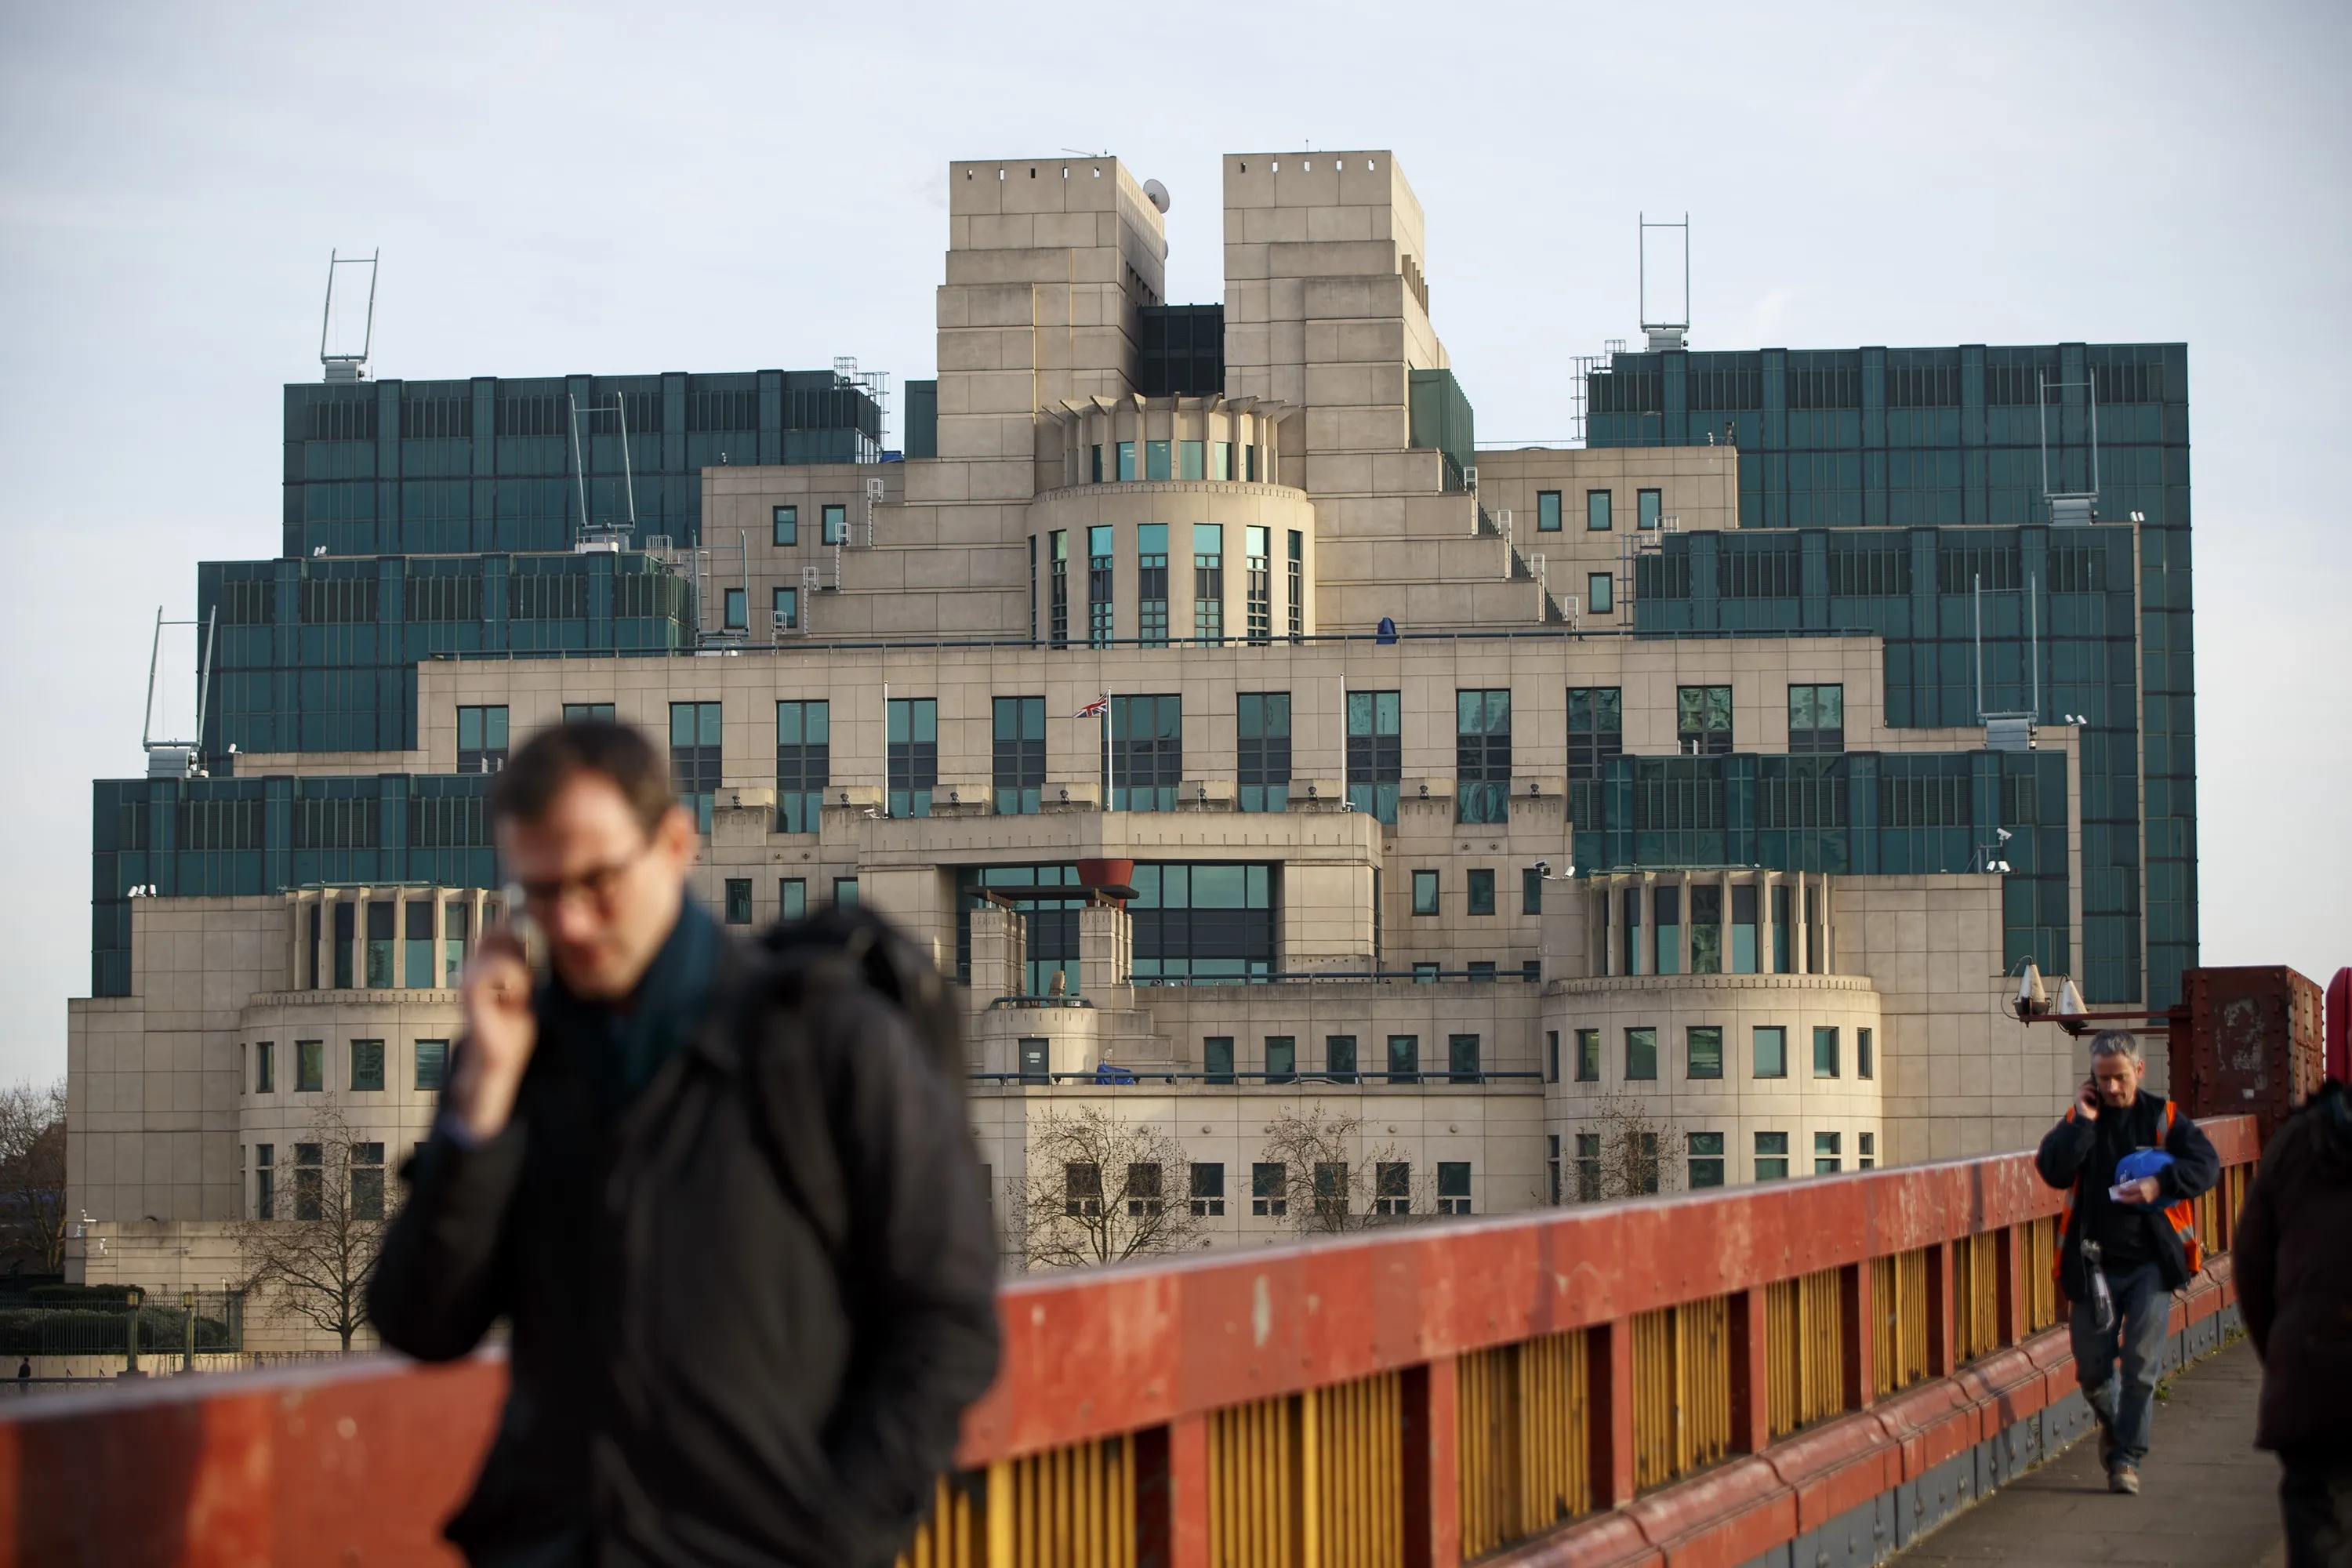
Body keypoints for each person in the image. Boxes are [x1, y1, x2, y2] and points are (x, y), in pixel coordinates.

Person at [370, 720, 1000, 1567]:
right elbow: (423, 1318)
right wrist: (481, 1105)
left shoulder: (823, 1037)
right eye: (542, 892)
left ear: (675, 841)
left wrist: (839, 1537)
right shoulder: (517, 1054)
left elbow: (949, 1317)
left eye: (598, 880)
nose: (574, 921)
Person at [2034, 1029, 2219, 1497]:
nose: (2113, 1088)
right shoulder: (2084, 1117)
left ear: (2139, 1070)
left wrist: (2163, 1184)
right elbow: (2052, 1170)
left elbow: (2207, 1165)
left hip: (2150, 1263)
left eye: (2120, 1077)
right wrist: (2081, 1121)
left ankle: (2125, 1461)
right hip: (2092, 1262)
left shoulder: (2164, 1118)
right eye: (2103, 1079)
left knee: (2140, 1362)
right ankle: (2117, 1429)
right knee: (2093, 1369)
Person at [2235, 1076, 2352, 1567]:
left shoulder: (2300, 1140)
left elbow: (2252, 1267)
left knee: (2320, 1534)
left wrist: (2288, 1356)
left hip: (2314, 1377)